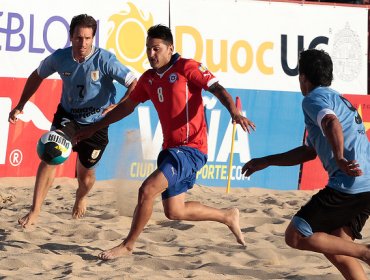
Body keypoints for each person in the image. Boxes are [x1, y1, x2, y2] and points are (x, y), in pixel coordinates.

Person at [74, 24, 256, 260]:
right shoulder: (148, 79)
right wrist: (94, 128)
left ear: (170, 48)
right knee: (174, 210)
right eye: (148, 49)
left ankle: (128, 245)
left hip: (192, 149)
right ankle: (227, 216)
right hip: (171, 149)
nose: (151, 54)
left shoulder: (187, 67)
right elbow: (127, 107)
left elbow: (218, 88)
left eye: (156, 49)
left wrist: (234, 112)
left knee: (147, 189)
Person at [242, 49, 370, 279]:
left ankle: (366, 252)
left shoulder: (313, 99)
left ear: (303, 77)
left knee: (295, 236)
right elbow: (309, 152)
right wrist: (267, 161)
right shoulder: (337, 98)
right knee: (337, 246)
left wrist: (339, 158)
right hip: (366, 184)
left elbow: (331, 122)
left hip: (349, 184)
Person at [8, 14, 137, 228]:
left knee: (86, 178)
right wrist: (20, 104)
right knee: (50, 155)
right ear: (71, 37)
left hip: (97, 123)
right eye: (78, 38)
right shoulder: (60, 57)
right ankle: (34, 210)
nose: (83, 43)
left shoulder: (105, 59)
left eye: (87, 38)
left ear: (93, 38)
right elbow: (37, 75)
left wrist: (118, 104)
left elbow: (134, 83)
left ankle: (81, 196)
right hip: (68, 117)